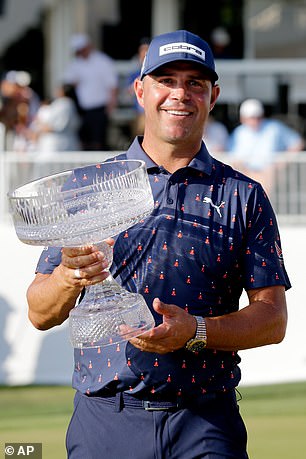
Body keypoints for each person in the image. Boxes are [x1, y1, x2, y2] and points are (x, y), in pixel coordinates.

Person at [27, 30, 290, 459]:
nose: (179, 94)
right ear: (139, 90)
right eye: (166, 80)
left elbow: (272, 320)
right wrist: (70, 275)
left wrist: (196, 332)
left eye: (194, 83)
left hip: (205, 424)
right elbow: (39, 312)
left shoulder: (243, 195)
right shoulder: (87, 187)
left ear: (213, 95)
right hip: (106, 421)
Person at [228, 98, 304, 193]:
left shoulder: (274, 127)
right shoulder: (238, 133)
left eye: (257, 117)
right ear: (242, 118)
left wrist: (282, 163)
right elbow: (233, 158)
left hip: (272, 175)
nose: (254, 121)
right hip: (247, 175)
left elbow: (297, 143)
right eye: (251, 117)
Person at [63, 33, 118, 151]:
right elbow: (67, 83)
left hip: (99, 108)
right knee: (84, 142)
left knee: (98, 142)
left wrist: (111, 106)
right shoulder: (76, 64)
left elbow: (112, 86)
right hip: (82, 111)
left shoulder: (102, 61)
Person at [30, 83, 81, 153]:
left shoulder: (64, 103)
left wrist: (38, 130)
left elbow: (56, 126)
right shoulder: (66, 104)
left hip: (59, 145)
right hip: (60, 144)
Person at [125, 38, 150, 137]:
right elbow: (129, 92)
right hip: (140, 113)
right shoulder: (135, 73)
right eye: (142, 51)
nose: (144, 54)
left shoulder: (157, 73)